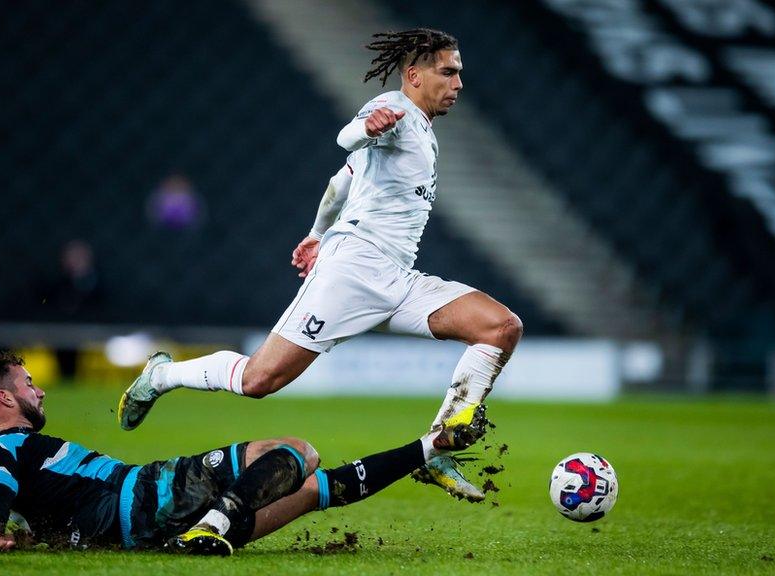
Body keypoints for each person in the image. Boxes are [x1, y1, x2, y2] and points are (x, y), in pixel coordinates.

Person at [118, 28, 523, 502]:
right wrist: (366, 130)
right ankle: (161, 375)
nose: (457, 84)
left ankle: (437, 452)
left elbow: (341, 181)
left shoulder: (424, 131)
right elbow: (346, 138)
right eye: (448, 72)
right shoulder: (393, 110)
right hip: (350, 273)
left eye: (459, 74)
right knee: (258, 381)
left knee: (500, 327)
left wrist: (314, 232)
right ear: (414, 75)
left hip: (399, 278)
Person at [0, 352, 481, 556]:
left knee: (311, 490)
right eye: (30, 385)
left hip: (145, 527)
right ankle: (214, 525)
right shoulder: (6, 447)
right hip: (144, 497)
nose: (41, 391)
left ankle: (427, 450)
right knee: (298, 452)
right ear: (4, 399)